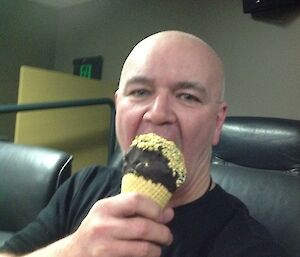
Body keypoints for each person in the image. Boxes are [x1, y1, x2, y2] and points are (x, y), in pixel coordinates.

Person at [0, 31, 287, 257]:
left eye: (187, 96)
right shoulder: (83, 186)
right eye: (139, 92)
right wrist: (71, 251)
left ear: (217, 121)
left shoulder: (248, 246)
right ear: (118, 108)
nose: (158, 113)